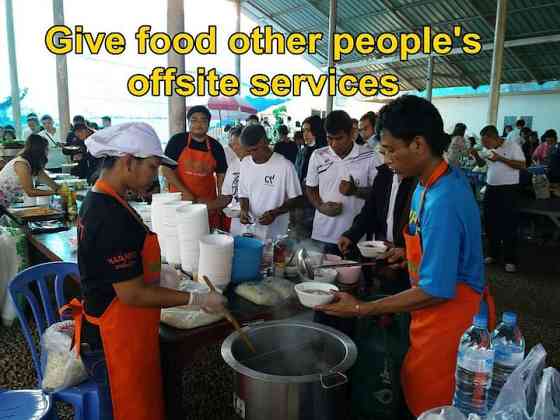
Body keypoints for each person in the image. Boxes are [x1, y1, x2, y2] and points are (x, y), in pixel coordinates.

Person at [317, 95, 495, 417]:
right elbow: (431, 249)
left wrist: (361, 308)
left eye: (389, 150)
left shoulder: (445, 198)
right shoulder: (423, 187)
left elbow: (436, 289)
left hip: (453, 324)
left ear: (418, 144)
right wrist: (404, 253)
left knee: (434, 406)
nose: (385, 161)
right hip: (427, 318)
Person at [64, 122, 226, 420]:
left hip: (124, 331)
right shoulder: (110, 215)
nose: (155, 176)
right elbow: (133, 293)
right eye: (152, 167)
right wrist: (197, 299)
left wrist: (155, 272)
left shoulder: (103, 199)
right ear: (128, 161)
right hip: (115, 341)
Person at [338, 152, 416, 294]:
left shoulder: (418, 182)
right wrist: (351, 235)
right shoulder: (384, 175)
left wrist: (405, 249)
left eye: (391, 150)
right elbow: (369, 211)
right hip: (385, 253)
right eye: (383, 152)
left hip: (410, 260)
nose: (385, 159)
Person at [305, 110, 381, 255]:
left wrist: (355, 191)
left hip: (355, 237)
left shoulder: (370, 156)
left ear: (352, 133)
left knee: (352, 277)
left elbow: (379, 194)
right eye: (329, 138)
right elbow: (310, 188)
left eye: (339, 138)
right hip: (322, 234)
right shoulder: (318, 155)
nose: (333, 144)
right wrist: (320, 207)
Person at [162, 105, 228, 230]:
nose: (199, 124)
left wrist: (220, 199)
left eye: (203, 120)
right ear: (188, 123)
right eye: (194, 120)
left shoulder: (216, 146)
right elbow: (165, 169)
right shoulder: (177, 141)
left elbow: (221, 174)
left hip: (207, 204)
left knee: (206, 236)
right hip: (180, 201)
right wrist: (185, 192)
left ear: (209, 123)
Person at [470, 125, 525, 273]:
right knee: (489, 221)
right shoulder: (489, 149)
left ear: (495, 137)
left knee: (508, 224)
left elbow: (522, 165)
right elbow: (482, 164)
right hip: (491, 188)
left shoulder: (512, 146)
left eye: (487, 142)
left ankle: (510, 259)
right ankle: (493, 254)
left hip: (508, 189)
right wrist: (475, 154)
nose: (486, 146)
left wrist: (500, 158)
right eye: (484, 143)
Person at [238, 124, 303, 240]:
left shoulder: (285, 166)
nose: (251, 154)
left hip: (276, 234)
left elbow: (296, 200)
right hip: (251, 230)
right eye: (248, 151)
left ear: (264, 142)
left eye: (254, 150)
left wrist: (274, 213)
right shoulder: (245, 163)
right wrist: (244, 209)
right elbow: (243, 194)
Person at [208, 126, 248, 235]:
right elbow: (227, 195)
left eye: (237, 144)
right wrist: (205, 207)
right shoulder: (233, 165)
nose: (233, 148)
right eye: (231, 144)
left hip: (260, 223)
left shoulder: (261, 165)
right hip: (237, 223)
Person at [0, 134, 59, 207]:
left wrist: (62, 190)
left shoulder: (33, 164)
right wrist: (55, 192)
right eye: (46, 149)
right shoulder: (21, 164)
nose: (48, 151)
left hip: (6, 202)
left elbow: (52, 184)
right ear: (39, 150)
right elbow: (30, 191)